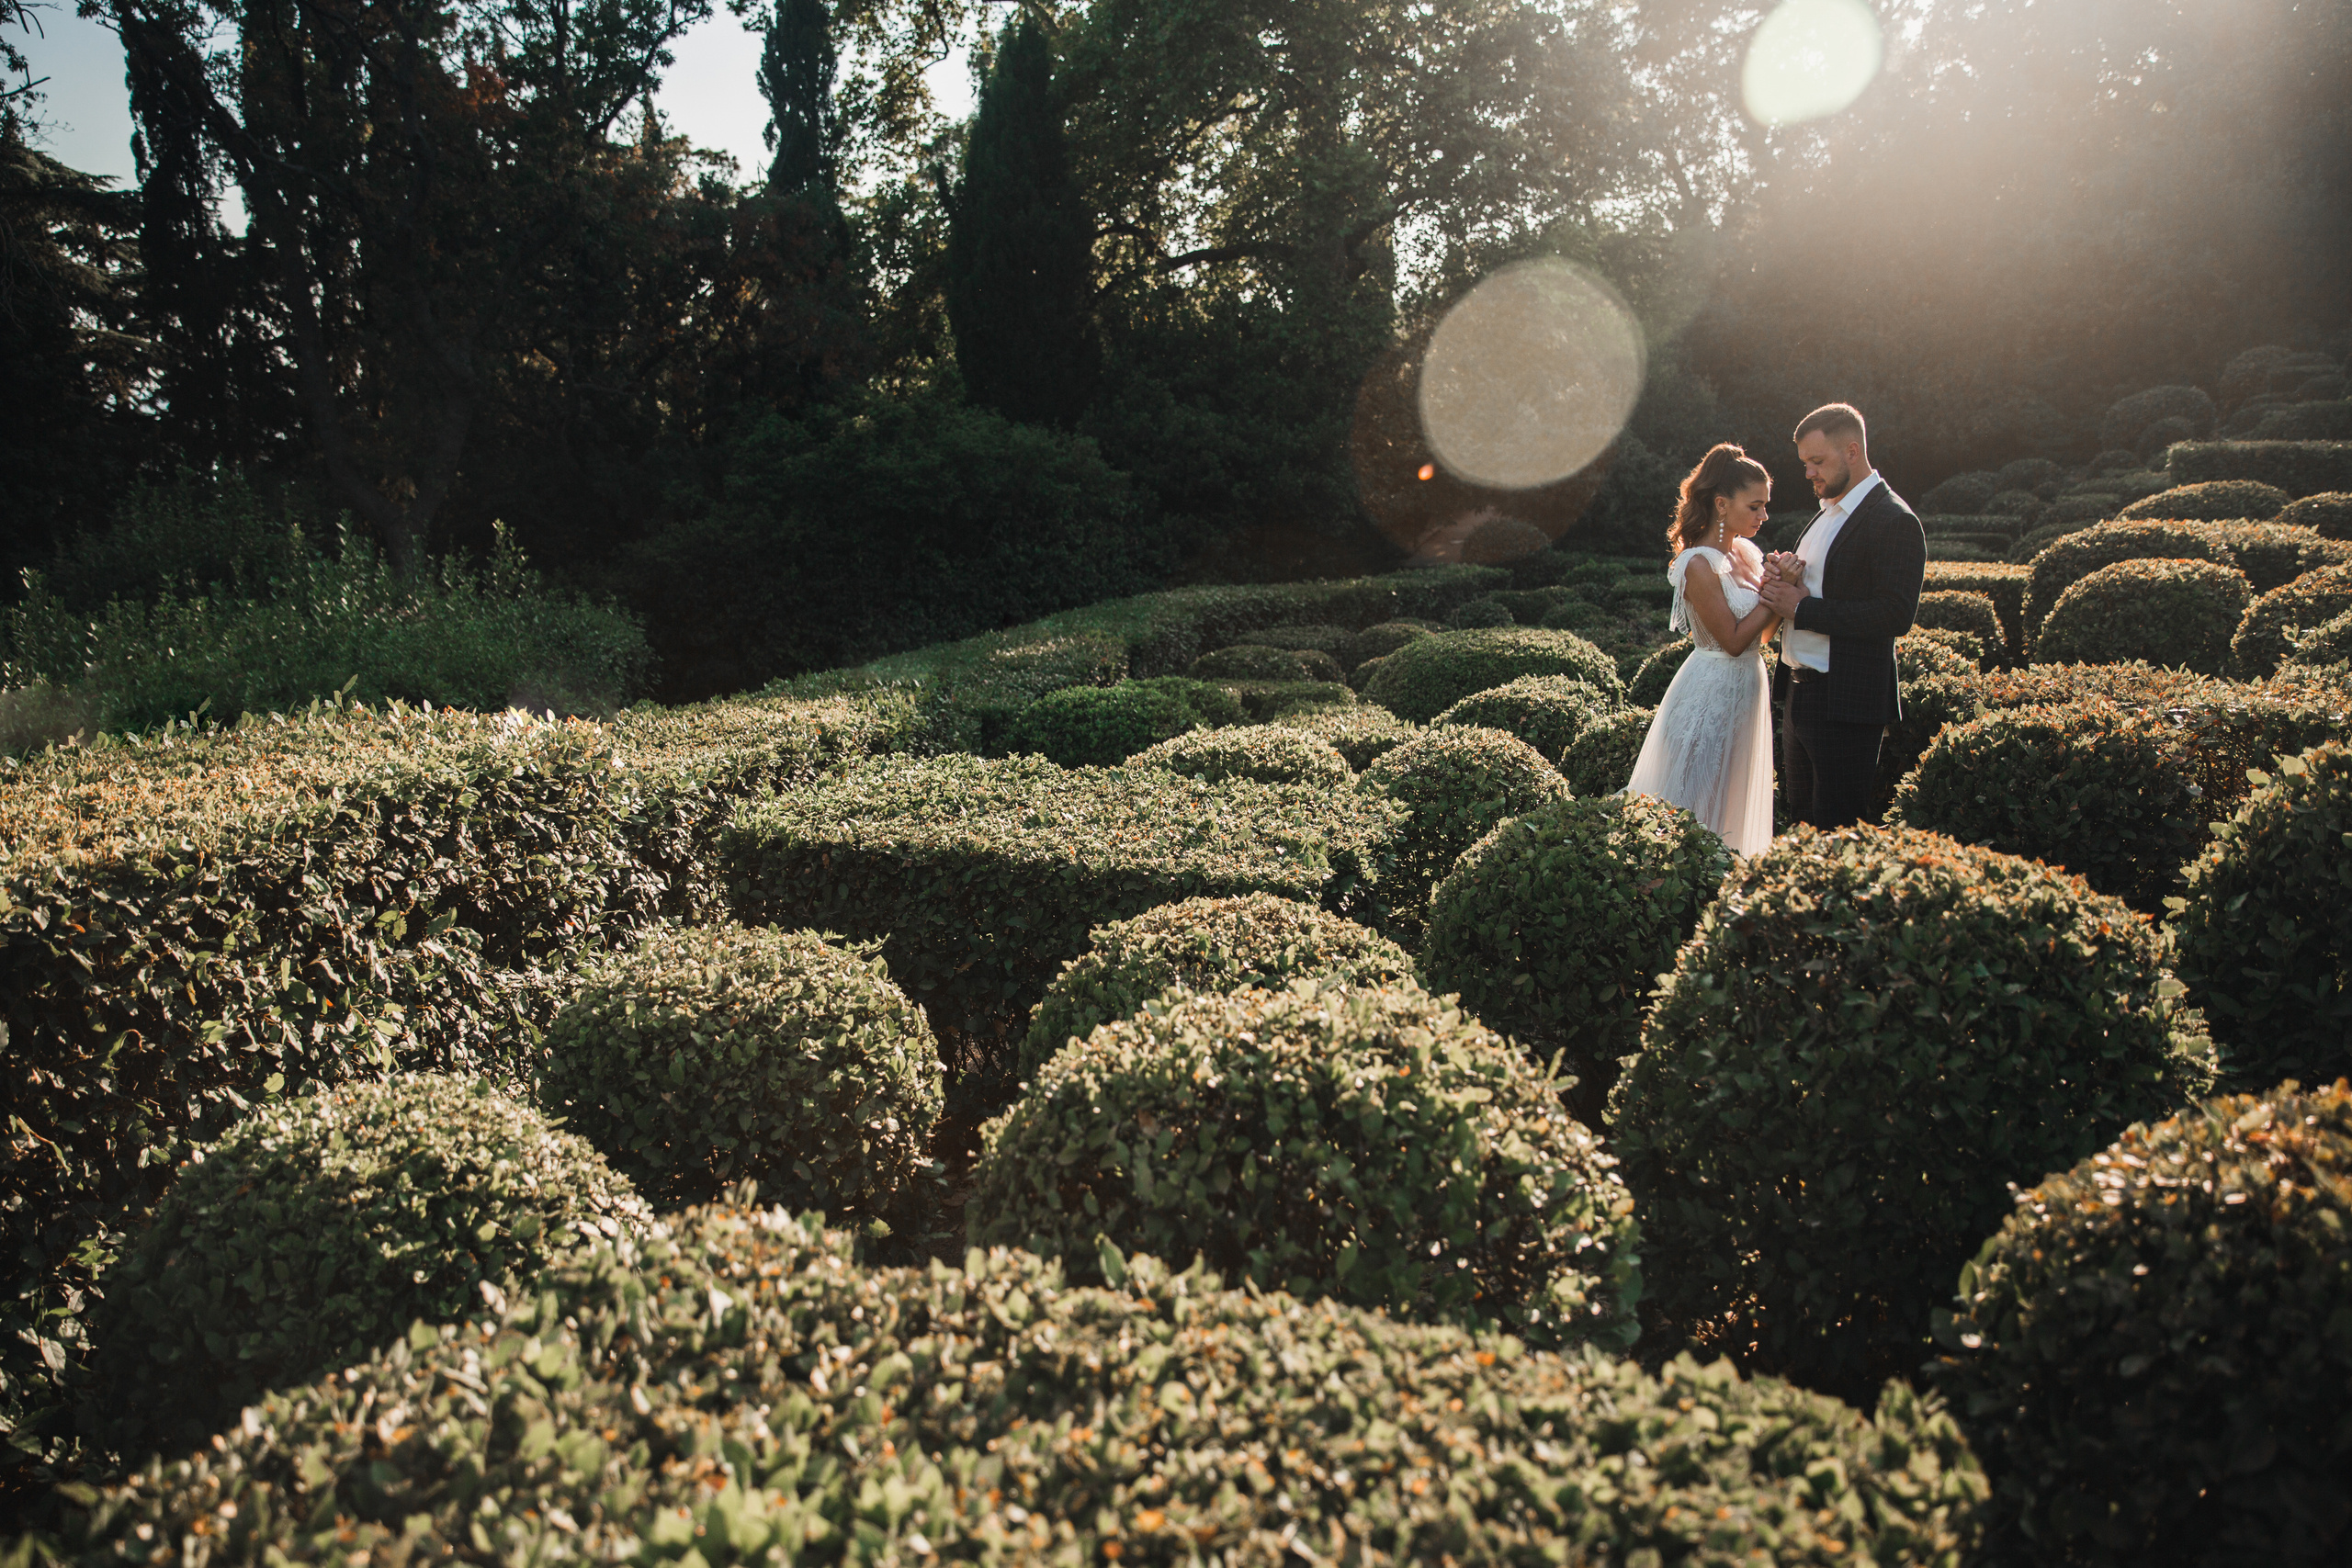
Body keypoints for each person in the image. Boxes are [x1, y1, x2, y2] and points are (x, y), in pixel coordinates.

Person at [1757, 402, 1928, 829]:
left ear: (1852, 450)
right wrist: (1783, 577)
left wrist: (1801, 607)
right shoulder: (1825, 515)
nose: (1809, 473)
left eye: (1817, 461)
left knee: (1834, 829)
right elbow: (1815, 589)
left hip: (1845, 701)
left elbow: (1894, 615)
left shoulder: (1894, 520)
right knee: (1800, 825)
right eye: (1805, 464)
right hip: (1800, 694)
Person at [1623, 443, 1781, 855]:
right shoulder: (1697, 564)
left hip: (1749, 684)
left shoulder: (1747, 552)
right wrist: (1776, 595)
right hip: (1711, 686)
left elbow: (1760, 637)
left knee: (1732, 793)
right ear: (1722, 505)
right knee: (1694, 797)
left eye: (1765, 506)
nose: (1764, 516)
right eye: (1756, 506)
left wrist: (1783, 593)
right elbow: (1731, 640)